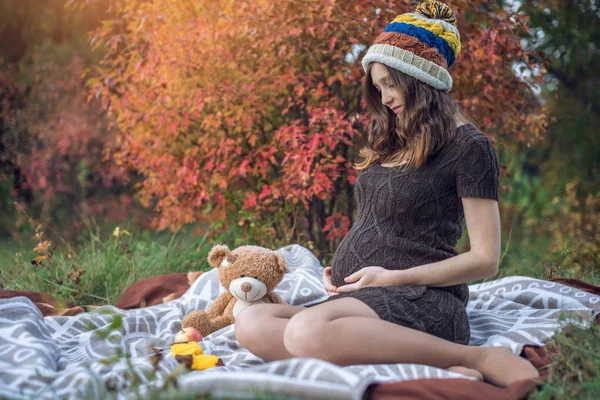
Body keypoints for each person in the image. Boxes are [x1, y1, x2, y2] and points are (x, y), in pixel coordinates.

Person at [235, 0, 540, 387]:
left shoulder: (471, 147)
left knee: (303, 334)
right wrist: (345, 274)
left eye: (389, 85)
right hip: (365, 299)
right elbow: (379, 223)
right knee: (251, 323)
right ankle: (424, 367)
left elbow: (485, 260)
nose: (383, 99)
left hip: (422, 299)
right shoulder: (394, 138)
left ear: (419, 80)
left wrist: (392, 278)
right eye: (377, 88)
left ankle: (472, 356)